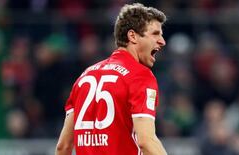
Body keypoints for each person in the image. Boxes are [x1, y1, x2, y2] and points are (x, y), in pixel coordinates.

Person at [55, 3, 167, 155]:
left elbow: (63, 146)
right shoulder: (140, 76)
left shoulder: (84, 76)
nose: (162, 41)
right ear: (132, 36)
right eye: (155, 34)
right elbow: (146, 141)